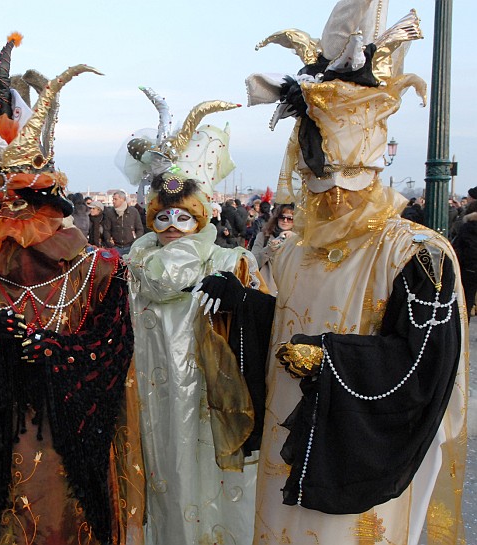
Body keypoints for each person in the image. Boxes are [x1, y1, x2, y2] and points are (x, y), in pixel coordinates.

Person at [242, 3, 467, 543]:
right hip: (286, 441)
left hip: (354, 455)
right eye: (324, 177)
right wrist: (242, 307)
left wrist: (330, 359)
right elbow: (286, 325)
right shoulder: (292, 249)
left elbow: (425, 367)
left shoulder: (416, 253)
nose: (337, 195)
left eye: (353, 175)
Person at [0, 30, 144, 545]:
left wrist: (53, 351)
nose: (11, 215)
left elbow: (112, 350)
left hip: (69, 438)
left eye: (22, 201)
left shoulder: (99, 270)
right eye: (0, 204)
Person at [120, 89, 273, 545]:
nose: (171, 225)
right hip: (147, 402)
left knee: (208, 487)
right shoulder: (132, 266)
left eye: (183, 216)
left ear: (201, 217)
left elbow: (268, 326)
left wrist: (238, 300)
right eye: (161, 215)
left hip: (208, 404)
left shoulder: (229, 262)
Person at [452, 200, 477, 318]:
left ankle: (464, 330)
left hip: (469, 268)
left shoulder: (466, 227)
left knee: (466, 300)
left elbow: (458, 247)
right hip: (469, 265)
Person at [102, 189, 144, 255]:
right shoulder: (110, 213)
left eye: (115, 199)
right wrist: (109, 242)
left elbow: (140, 229)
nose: (113, 201)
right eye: (113, 199)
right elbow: (106, 230)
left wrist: (135, 242)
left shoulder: (133, 212)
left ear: (122, 199)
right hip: (116, 248)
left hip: (131, 247)